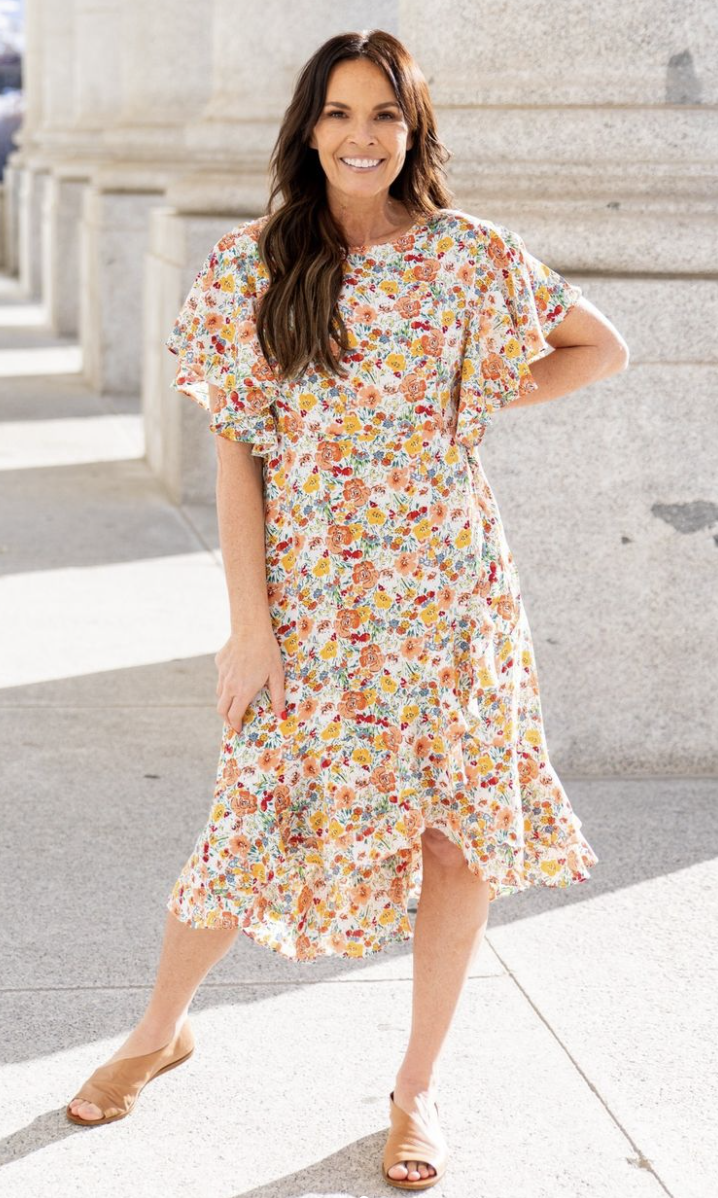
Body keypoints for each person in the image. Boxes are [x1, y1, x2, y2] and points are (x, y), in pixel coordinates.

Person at [66, 28, 628, 1190]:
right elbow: (235, 455)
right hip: (310, 604)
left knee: (456, 833)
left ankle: (415, 1088)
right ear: (306, 127)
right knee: (250, 818)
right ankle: (157, 1029)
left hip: (453, 600)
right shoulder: (251, 264)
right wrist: (249, 625)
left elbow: (598, 347)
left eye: (384, 114)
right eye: (337, 113)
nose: (360, 136)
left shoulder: (469, 258)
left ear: (413, 128)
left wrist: (470, 394)